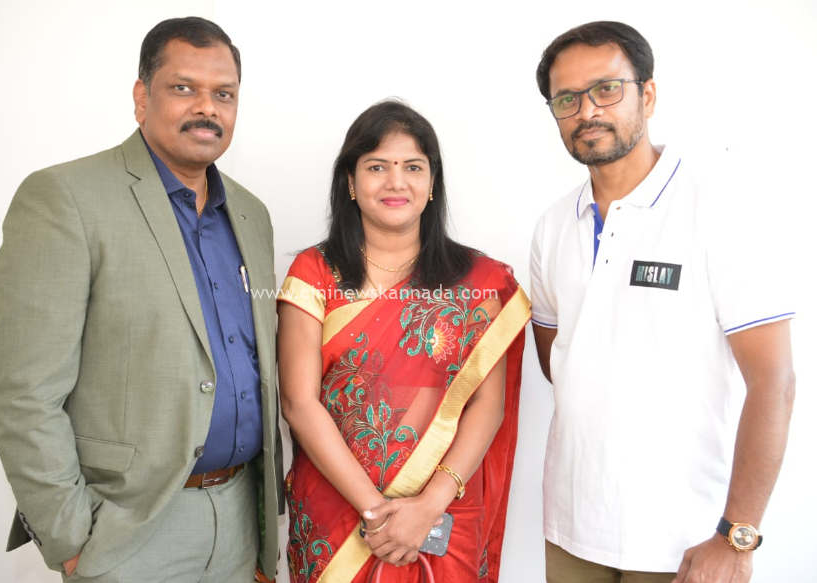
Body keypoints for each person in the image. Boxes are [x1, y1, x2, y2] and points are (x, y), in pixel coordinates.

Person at [0, 17, 282, 583]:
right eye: (183, 87)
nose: (207, 107)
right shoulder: (65, 198)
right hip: (129, 529)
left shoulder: (251, 214)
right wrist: (71, 537)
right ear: (142, 97)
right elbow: (23, 392)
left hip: (242, 519)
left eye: (224, 94)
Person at [530, 20, 796, 583]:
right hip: (572, 527)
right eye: (566, 99)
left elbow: (773, 380)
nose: (587, 111)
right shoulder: (552, 226)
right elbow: (561, 362)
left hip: (688, 540)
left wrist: (738, 535)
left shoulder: (720, 205)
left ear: (647, 94)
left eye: (606, 89)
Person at [277, 100, 530, 583]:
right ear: (350, 182)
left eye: (412, 167)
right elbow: (298, 403)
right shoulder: (314, 273)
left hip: (443, 515)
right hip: (338, 514)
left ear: (432, 183)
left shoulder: (478, 280)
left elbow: (487, 405)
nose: (396, 182)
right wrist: (377, 513)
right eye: (377, 167)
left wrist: (429, 506)